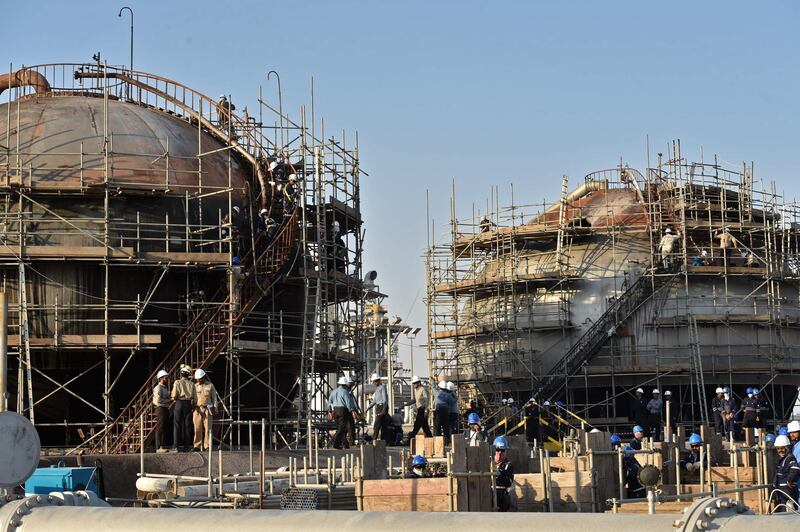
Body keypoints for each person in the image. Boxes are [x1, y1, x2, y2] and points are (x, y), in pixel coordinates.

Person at [170, 365, 197, 452]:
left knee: (177, 425)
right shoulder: (192, 384)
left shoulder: (177, 382)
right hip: (188, 404)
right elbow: (195, 397)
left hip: (179, 403)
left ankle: (176, 446)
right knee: (188, 425)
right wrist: (193, 405)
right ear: (188, 374)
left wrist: (174, 398)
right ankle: (187, 446)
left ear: (181, 374)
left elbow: (174, 395)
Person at [192, 369, 218, 451]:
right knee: (197, 428)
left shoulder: (210, 386)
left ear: (203, 377)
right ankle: (197, 445)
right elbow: (192, 398)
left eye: (200, 379)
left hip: (208, 409)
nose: (198, 380)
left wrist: (215, 409)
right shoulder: (194, 386)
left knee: (208, 428)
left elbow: (214, 398)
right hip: (197, 409)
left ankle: (207, 446)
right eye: (197, 379)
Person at [772, 434, 800, 512]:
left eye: (782, 448)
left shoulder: (790, 458)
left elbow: (795, 469)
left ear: (787, 447)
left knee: (789, 516)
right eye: (778, 448)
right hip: (782, 493)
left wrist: (790, 480)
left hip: (788, 494)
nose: (780, 450)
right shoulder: (782, 459)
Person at [327, 376, 356, 449]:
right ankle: (336, 445)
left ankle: (344, 444)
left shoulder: (334, 391)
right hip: (343, 411)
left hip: (335, 411)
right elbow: (348, 403)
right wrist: (352, 411)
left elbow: (329, 402)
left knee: (340, 428)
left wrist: (330, 412)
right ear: (345, 384)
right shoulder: (345, 392)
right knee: (341, 429)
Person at [492, 436, 514, 512]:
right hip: (488, 495)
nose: (500, 453)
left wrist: (498, 474)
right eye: (498, 450)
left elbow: (508, 482)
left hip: (501, 496)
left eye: (502, 450)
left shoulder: (508, 465)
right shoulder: (488, 463)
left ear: (506, 451)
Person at [367, 373, 389, 443]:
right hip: (379, 407)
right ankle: (383, 441)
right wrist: (368, 408)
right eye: (374, 381)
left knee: (376, 425)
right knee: (383, 425)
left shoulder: (382, 387)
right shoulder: (377, 389)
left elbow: (385, 400)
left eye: (375, 381)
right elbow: (375, 401)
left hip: (382, 407)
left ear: (378, 381)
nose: (374, 383)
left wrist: (383, 410)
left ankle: (374, 440)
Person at [152, 370, 170, 453]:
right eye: (166, 377)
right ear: (161, 378)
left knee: (165, 427)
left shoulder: (165, 387)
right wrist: (168, 401)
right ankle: (158, 446)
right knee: (160, 427)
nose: (167, 379)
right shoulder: (158, 388)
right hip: (160, 409)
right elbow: (157, 401)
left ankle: (162, 446)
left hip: (165, 408)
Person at [434, 381, 454, 445]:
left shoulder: (437, 393)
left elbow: (433, 388)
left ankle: (438, 441)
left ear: (440, 387)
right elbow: (453, 401)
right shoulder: (448, 395)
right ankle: (447, 441)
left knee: (437, 426)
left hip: (439, 410)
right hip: (446, 411)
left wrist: (433, 383)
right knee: (446, 427)